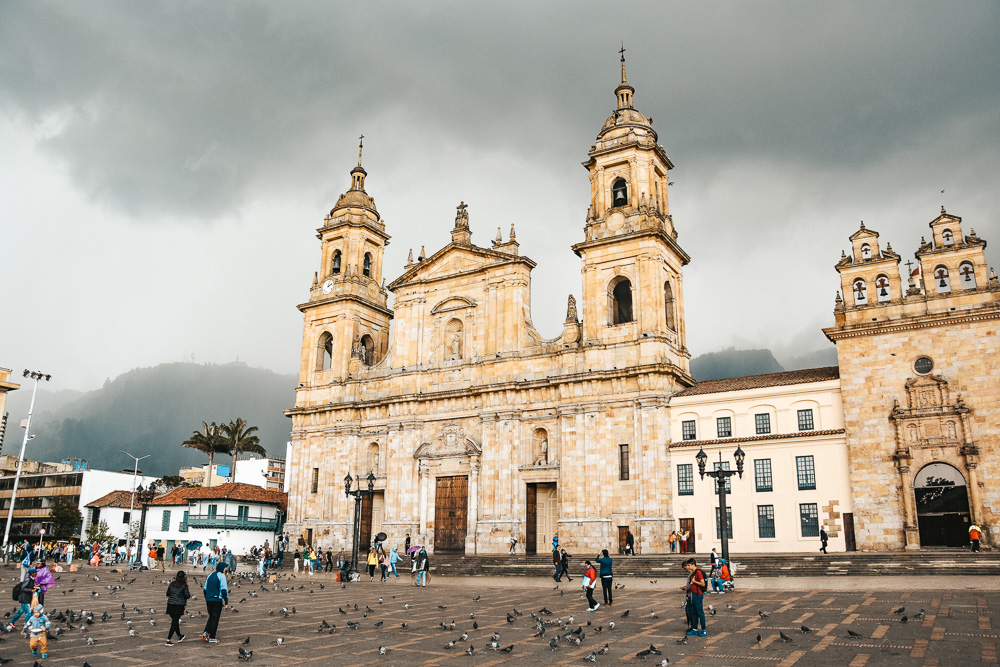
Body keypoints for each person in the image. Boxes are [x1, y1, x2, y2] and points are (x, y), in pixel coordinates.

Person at [201, 562, 229, 643]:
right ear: (222, 568)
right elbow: (224, 590)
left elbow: (205, 590)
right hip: (217, 600)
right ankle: (212, 637)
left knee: (211, 617)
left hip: (209, 600)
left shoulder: (210, 575)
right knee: (215, 619)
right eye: (225, 567)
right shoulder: (221, 576)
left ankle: (206, 632)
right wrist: (226, 602)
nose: (226, 569)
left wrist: (207, 598)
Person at [682, 557, 708, 637]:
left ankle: (703, 629)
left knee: (700, 612)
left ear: (693, 565)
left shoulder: (698, 572)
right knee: (693, 612)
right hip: (693, 594)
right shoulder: (693, 573)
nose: (688, 567)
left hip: (697, 594)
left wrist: (694, 581)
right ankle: (695, 629)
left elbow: (703, 583)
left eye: (689, 565)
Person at [164, 570, 191, 646]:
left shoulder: (172, 584)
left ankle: (180, 636)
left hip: (170, 605)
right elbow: (187, 596)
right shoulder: (184, 585)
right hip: (179, 606)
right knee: (174, 623)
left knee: (175, 621)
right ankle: (168, 640)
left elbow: (167, 594)